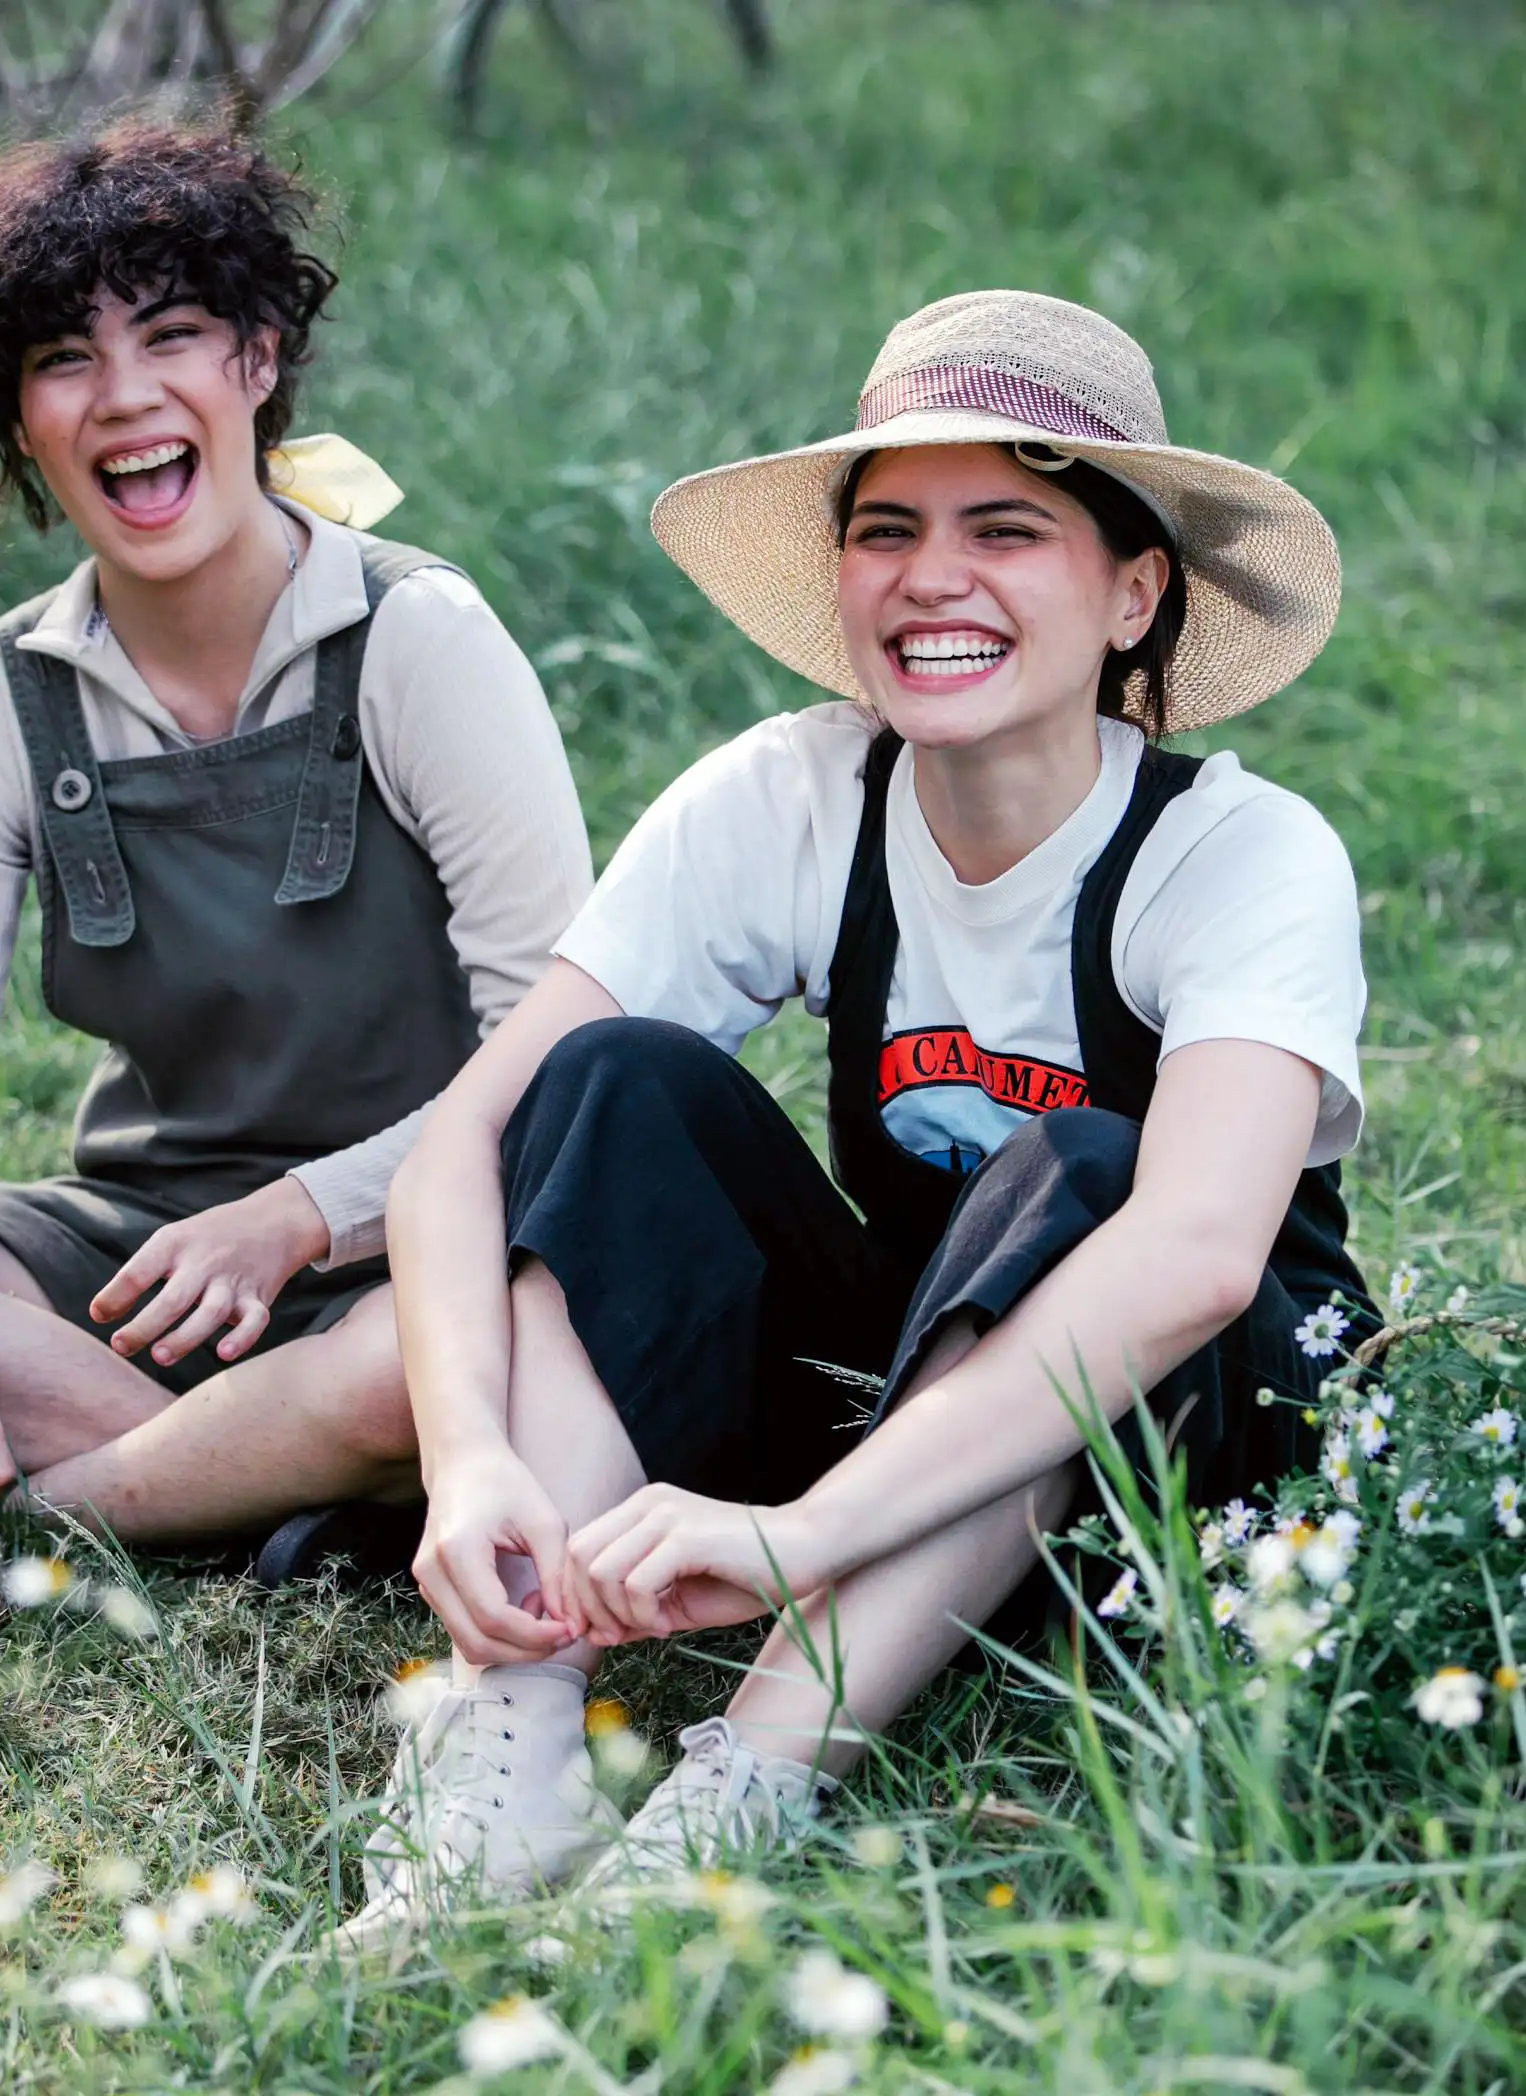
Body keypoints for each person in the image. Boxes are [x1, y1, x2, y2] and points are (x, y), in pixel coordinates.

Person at [341, 289, 1376, 1941]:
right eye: (886, 529)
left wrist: (799, 1534)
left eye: (1006, 529)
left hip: (1184, 1467)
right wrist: (466, 1467)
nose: (931, 577)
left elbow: (1192, 1259)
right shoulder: (797, 795)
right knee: (610, 1083)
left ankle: (733, 1796)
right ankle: (512, 1748)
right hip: (907, 1425)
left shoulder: (1239, 856)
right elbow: (466, 1141)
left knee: (1095, 1173)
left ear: (1134, 593)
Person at [0, 119, 591, 1566]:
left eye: (173, 336)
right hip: (134, 1247)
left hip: (417, 1230)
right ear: (16, 418)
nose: (124, 398)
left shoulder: (416, 640)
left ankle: (40, 1504)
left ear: (259, 363)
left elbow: (555, 1061)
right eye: (63, 360)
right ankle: (267, 1490)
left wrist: (298, 1218)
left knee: (443, 1362)